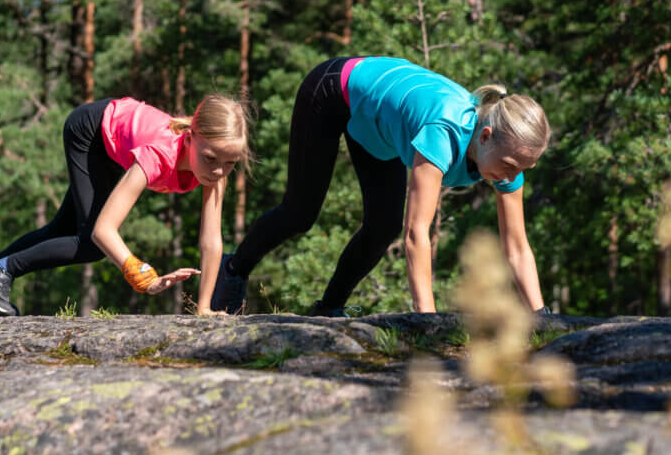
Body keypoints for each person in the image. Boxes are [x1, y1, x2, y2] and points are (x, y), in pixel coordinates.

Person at [211, 56, 549, 317]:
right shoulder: (443, 131)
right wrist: (427, 320)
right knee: (300, 213)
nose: (512, 177)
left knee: (383, 226)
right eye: (509, 166)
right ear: (485, 136)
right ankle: (232, 270)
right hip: (332, 91)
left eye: (522, 169)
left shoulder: (508, 159)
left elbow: (517, 247)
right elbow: (416, 233)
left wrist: (541, 317)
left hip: (377, 127)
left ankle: (328, 309)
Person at [0, 94, 250, 317]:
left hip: (112, 149)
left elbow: (211, 241)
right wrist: (144, 278)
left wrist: (204, 307)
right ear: (189, 139)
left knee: (62, 229)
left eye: (230, 163)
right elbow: (104, 230)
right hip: (90, 132)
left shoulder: (214, 170)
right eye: (210, 158)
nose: (218, 171)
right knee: (91, 244)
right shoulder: (159, 155)